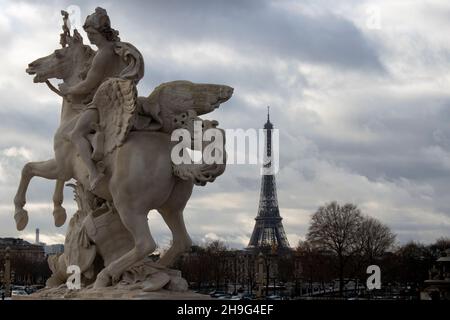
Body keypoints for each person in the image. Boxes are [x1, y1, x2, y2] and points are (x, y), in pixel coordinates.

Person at [59, 7, 143, 190]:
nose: (90, 37)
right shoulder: (116, 49)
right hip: (116, 99)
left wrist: (69, 90)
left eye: (92, 34)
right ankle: (96, 142)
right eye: (88, 34)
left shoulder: (103, 53)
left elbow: (89, 84)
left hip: (102, 102)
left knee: (75, 133)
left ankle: (94, 173)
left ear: (100, 33)